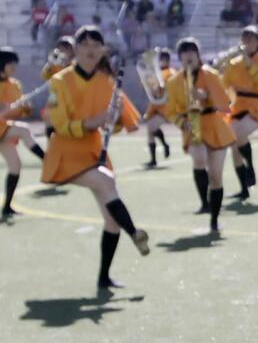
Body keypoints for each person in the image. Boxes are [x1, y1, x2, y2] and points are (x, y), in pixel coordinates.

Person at [8, 26, 148, 287]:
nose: (91, 50)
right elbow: (59, 124)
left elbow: (121, 125)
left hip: (94, 151)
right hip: (66, 152)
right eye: (85, 45)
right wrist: (93, 121)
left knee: (111, 220)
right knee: (106, 182)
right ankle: (135, 233)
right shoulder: (60, 81)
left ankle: (104, 277)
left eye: (96, 45)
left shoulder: (106, 81)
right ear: (76, 49)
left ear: (103, 50)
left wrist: (113, 118)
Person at [165, 37, 236, 233]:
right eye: (184, 52)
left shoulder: (211, 75)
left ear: (198, 55)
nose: (189, 56)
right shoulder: (173, 82)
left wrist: (206, 97)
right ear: (179, 57)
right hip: (192, 124)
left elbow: (225, 103)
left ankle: (213, 219)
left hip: (213, 123)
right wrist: (182, 122)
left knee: (216, 177)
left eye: (192, 52)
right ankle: (203, 202)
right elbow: (170, 111)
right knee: (199, 158)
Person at [219, 25, 258, 200]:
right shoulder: (234, 63)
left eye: (251, 40)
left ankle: (250, 167)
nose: (247, 43)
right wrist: (221, 65)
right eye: (245, 39)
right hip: (237, 106)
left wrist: (248, 62)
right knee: (233, 145)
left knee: (237, 135)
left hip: (255, 107)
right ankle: (244, 188)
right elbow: (223, 83)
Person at [0, 48, 49, 219]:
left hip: (2, 130)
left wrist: (24, 107)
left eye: (15, 62)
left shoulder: (15, 85)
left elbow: (20, 113)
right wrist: (5, 108)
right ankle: (49, 161)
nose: (14, 66)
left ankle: (7, 207)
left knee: (15, 166)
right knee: (23, 130)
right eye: (10, 62)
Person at [140, 48, 175, 167]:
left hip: (165, 107)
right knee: (149, 132)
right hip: (155, 106)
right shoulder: (157, 73)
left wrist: (160, 88)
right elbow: (153, 91)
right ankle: (153, 159)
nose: (161, 62)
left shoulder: (171, 72)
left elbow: (167, 90)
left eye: (162, 60)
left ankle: (165, 145)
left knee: (151, 127)